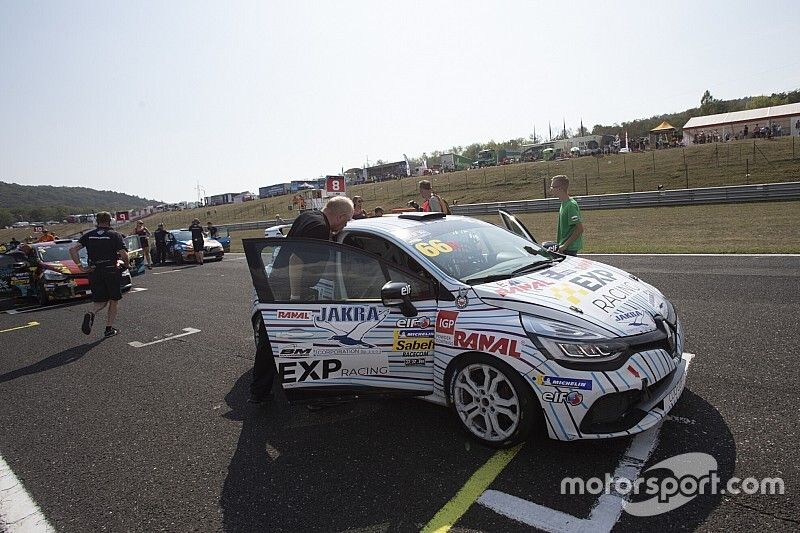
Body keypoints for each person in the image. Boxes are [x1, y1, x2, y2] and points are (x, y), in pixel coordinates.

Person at [248, 196, 354, 407]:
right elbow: (296, 261)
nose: (345, 225)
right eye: (346, 221)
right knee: (303, 342)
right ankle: (311, 397)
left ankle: (259, 391)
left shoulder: (309, 216)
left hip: (278, 283)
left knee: (272, 340)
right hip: (289, 289)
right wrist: (296, 298)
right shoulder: (319, 228)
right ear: (340, 216)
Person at [69, 211, 129, 337]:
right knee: (114, 300)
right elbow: (124, 254)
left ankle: (91, 312)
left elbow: (72, 249)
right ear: (109, 221)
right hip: (111, 270)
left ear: (97, 221)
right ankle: (109, 328)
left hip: (94, 270)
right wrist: (126, 265)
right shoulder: (114, 235)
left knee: (100, 300)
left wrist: (81, 267)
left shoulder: (89, 235)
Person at [549, 175, 584, 256]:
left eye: (552, 187)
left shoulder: (570, 205)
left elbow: (580, 229)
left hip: (569, 248)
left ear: (559, 188)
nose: (551, 189)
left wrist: (565, 245)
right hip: (564, 247)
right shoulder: (564, 203)